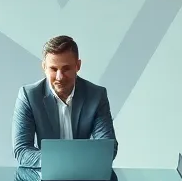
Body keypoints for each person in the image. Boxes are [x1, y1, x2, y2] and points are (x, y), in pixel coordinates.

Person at [12, 35, 117, 168]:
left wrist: (68, 162)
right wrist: (64, 162)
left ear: (78, 66)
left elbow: (108, 147)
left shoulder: (96, 95)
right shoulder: (29, 96)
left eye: (66, 69)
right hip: (47, 174)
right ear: (44, 67)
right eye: (53, 69)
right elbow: (22, 150)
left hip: (83, 174)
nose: (59, 77)